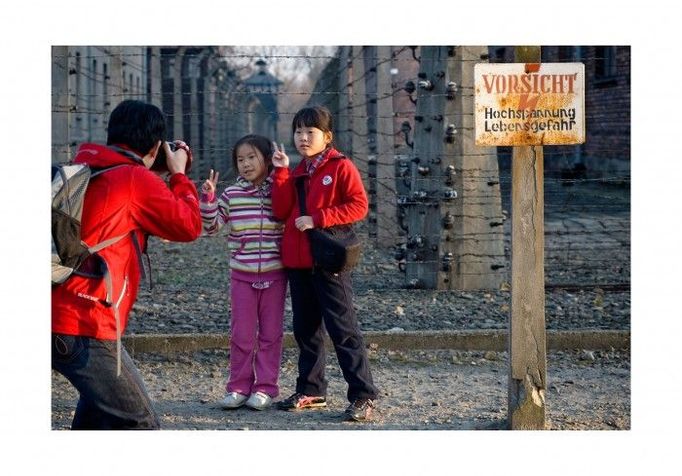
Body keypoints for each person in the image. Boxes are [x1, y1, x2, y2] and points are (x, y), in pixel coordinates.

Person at [51, 99, 203, 429]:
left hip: (61, 311)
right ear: (155, 145)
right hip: (85, 322)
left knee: (99, 419)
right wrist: (177, 174)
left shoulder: (87, 167)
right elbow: (189, 225)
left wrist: (154, 171)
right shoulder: (136, 180)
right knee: (140, 423)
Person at [271, 106, 379, 422]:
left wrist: (319, 218)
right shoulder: (297, 170)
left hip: (328, 260)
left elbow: (359, 206)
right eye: (299, 132)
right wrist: (280, 172)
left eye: (310, 132)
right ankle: (311, 389)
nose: (303, 138)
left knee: (343, 330)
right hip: (298, 262)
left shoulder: (341, 167)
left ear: (327, 137)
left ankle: (364, 396)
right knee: (306, 330)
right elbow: (280, 210)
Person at [200, 134, 286, 411]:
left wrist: (283, 172)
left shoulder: (279, 191)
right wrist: (209, 198)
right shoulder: (232, 195)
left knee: (271, 334)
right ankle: (238, 386)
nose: (246, 164)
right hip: (242, 275)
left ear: (267, 158)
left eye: (252, 157)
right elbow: (212, 227)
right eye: (240, 159)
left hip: (275, 274)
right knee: (242, 335)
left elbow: (287, 214)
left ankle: (265, 388)